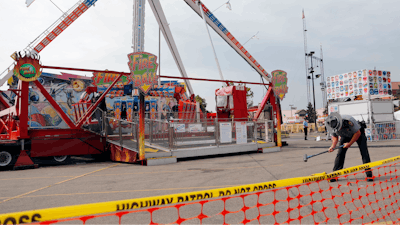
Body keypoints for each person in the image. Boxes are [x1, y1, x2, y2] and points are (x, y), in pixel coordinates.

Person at [326, 112, 373, 182]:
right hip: (345, 135)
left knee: (364, 153)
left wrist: (350, 143)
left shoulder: (349, 120)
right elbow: (335, 136)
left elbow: (358, 133)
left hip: (358, 134)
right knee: (340, 154)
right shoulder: (330, 125)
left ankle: (369, 175)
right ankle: (335, 174)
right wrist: (333, 146)